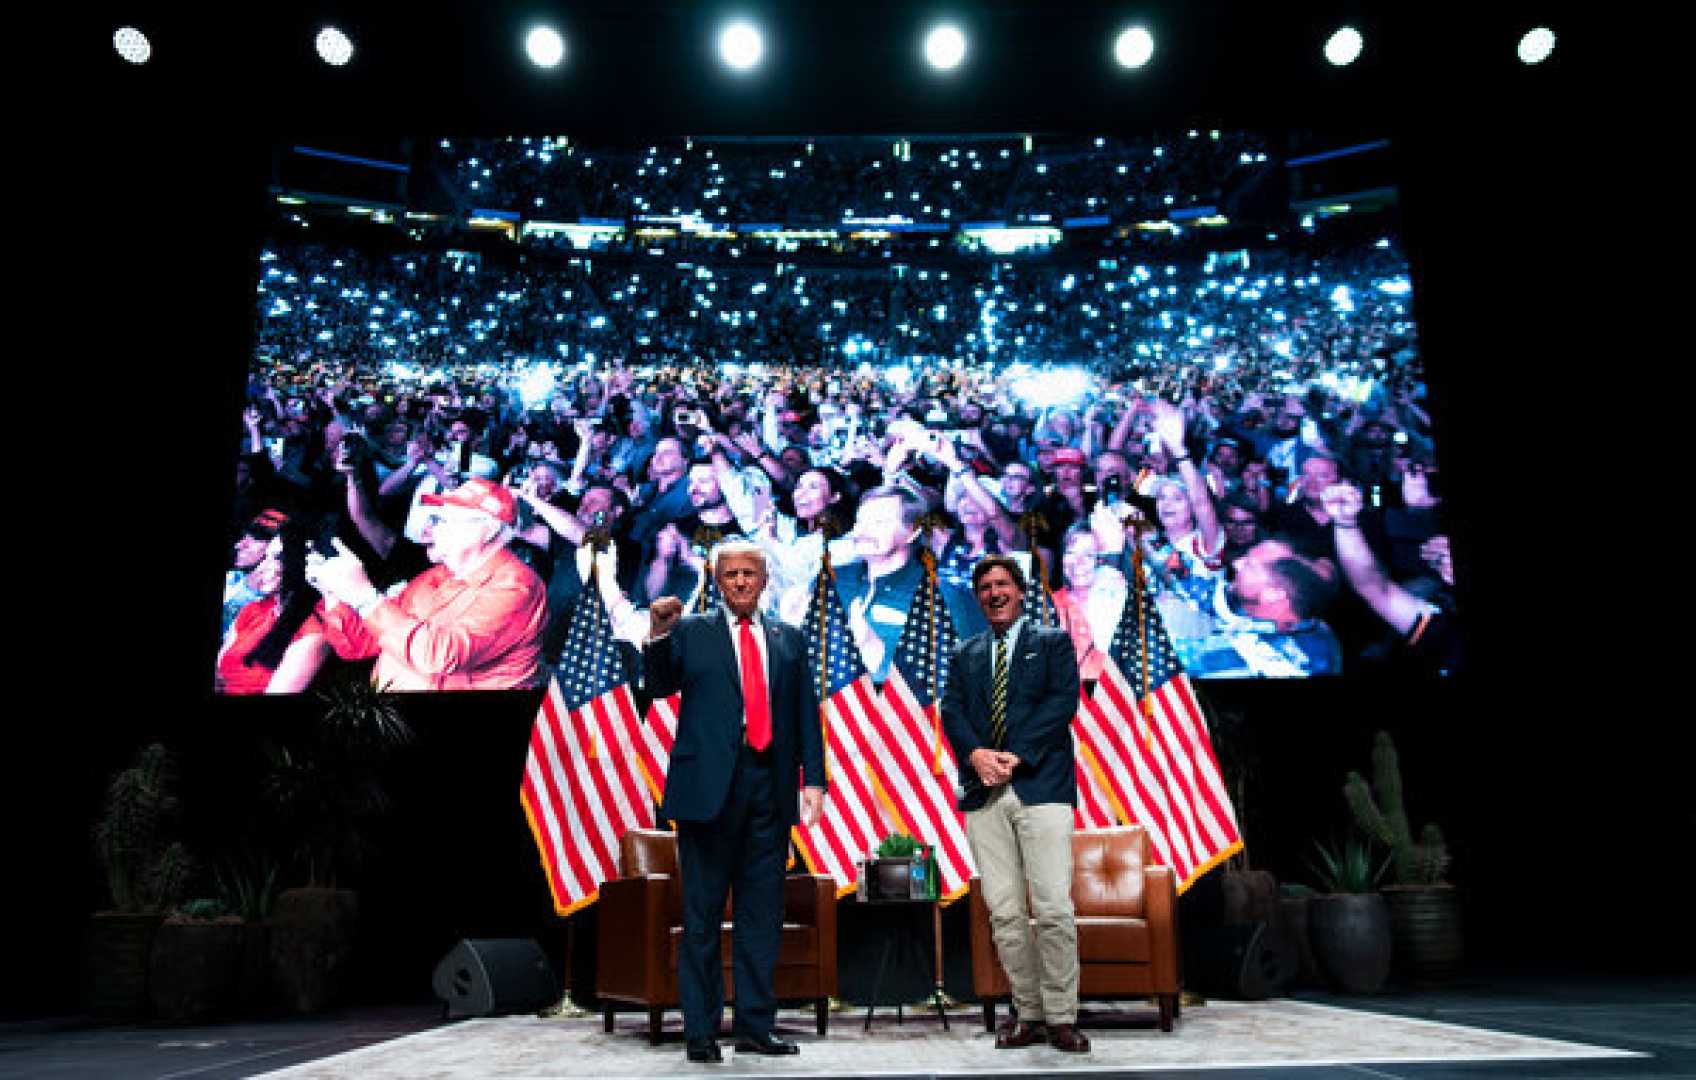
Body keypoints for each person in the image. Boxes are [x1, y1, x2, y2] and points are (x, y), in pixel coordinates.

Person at [642, 542, 826, 1064]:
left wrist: (813, 779)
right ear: (717, 581)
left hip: (769, 787)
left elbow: (804, 715)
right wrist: (658, 633)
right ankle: (700, 1030)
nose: (740, 582)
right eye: (730, 575)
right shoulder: (693, 631)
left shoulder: (788, 639)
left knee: (761, 917)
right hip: (708, 791)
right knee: (702, 917)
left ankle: (754, 1027)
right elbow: (657, 686)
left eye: (749, 574)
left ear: (765, 579)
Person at [940, 554, 1088, 1053]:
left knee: (1052, 909)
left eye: (1002, 584)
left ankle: (1063, 1016)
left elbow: (1061, 704)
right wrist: (978, 755)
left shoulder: (1052, 643)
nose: (993, 593)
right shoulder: (966, 653)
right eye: (984, 587)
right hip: (984, 794)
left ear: (1021, 592)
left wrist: (1016, 757)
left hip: (1041, 788)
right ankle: (1028, 1013)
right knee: (1003, 912)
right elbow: (952, 711)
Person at [307, 477, 549, 690]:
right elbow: (361, 644)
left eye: (443, 519)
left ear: (486, 531)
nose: (430, 529)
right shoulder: (434, 577)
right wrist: (334, 594)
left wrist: (366, 597)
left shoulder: (518, 586)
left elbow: (439, 656)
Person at [216, 522, 332, 695]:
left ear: (304, 564)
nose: (262, 568)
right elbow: (218, 671)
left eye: (278, 558)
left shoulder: (313, 635)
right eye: (266, 557)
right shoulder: (252, 609)